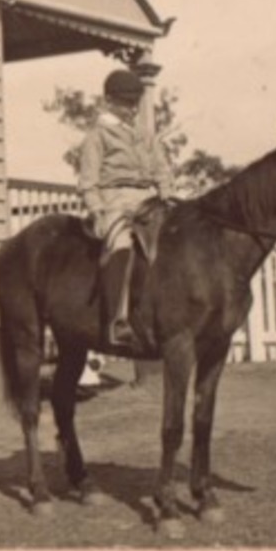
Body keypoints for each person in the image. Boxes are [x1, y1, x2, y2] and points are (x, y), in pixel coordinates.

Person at [78, 66, 174, 349]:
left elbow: (161, 168)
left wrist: (167, 193)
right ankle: (117, 321)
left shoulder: (144, 134)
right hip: (114, 198)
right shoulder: (98, 135)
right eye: (125, 103)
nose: (131, 109)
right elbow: (88, 181)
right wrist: (97, 209)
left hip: (148, 199)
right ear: (109, 101)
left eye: (134, 103)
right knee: (122, 246)